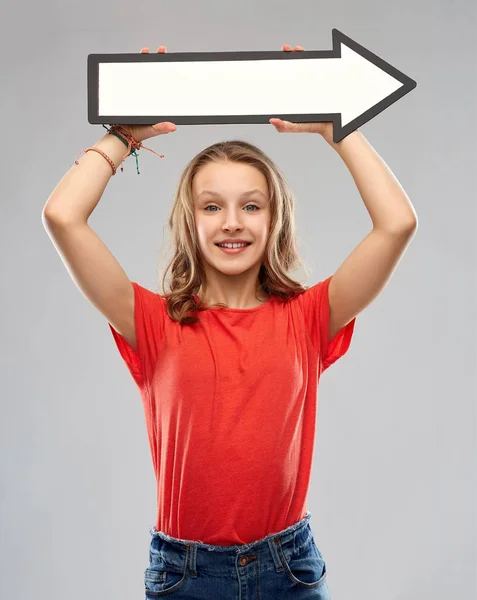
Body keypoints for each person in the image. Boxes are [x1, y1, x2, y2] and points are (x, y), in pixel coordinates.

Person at [42, 43, 418, 599]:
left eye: (252, 205)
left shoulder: (309, 317)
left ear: (274, 219)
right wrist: (122, 137)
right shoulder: (150, 321)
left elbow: (397, 224)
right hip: (183, 574)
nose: (231, 222)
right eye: (211, 206)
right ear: (189, 221)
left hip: (288, 568)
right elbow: (62, 215)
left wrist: (336, 126)